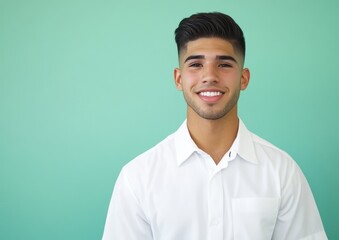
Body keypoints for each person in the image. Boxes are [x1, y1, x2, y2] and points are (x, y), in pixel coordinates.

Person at [102, 12, 327, 240]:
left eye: (224, 64)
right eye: (196, 64)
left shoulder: (282, 172)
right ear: (179, 79)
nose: (209, 76)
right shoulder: (137, 178)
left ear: (244, 78)